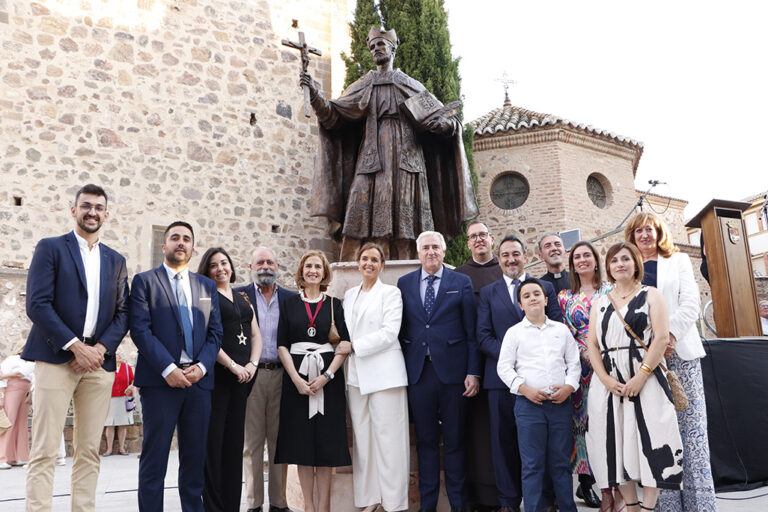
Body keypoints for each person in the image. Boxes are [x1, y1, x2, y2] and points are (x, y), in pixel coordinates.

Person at [302, 26, 478, 260]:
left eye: (381, 44)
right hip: (371, 157)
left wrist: (443, 126)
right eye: (373, 46)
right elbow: (334, 115)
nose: (376, 49)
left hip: (408, 159)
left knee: (408, 224)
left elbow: (447, 120)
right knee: (360, 213)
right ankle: (363, 261)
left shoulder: (410, 84)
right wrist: (314, 94)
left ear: (393, 48)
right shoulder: (363, 84)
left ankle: (409, 262)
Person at [22, 183, 129, 512]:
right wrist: (74, 346)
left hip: (99, 365)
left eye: (98, 207)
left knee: (88, 451)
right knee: (44, 448)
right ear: (74, 210)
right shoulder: (51, 248)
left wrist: (100, 349)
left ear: (106, 214)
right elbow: (38, 305)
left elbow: (124, 311)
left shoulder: (116, 260)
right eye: (86, 206)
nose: (92, 212)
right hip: (55, 359)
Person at [129, 221, 223, 512]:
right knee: (154, 459)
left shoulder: (206, 286)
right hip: (160, 384)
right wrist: (169, 369)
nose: (180, 243)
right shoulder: (145, 282)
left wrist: (203, 367)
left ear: (193, 248)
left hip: (198, 384)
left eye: (186, 239)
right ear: (164, 245)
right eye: (174, 238)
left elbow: (215, 332)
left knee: (194, 460)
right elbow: (140, 330)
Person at [624, 213, 716, 511]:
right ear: (632, 236)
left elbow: (690, 303)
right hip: (646, 361)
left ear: (659, 232)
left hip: (680, 355)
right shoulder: (629, 269)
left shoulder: (677, 261)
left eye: (649, 229)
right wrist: (652, 347)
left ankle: (700, 505)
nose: (644, 235)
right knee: (659, 435)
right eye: (638, 231)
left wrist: (668, 336)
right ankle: (668, 506)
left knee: (692, 434)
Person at [586, 242, 684, 512]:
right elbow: (592, 344)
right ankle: (631, 506)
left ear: (635, 263)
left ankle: (649, 507)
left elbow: (661, 338)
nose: (620, 264)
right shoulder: (601, 302)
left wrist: (641, 376)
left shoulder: (652, 295)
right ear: (608, 267)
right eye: (614, 260)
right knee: (615, 445)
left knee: (651, 441)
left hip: (645, 377)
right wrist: (605, 380)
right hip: (609, 383)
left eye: (625, 259)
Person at [476, 234, 562, 512]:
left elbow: (559, 330)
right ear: (498, 259)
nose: (511, 259)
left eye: (516, 253)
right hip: (500, 381)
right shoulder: (488, 293)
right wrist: (512, 356)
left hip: (541, 382)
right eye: (505, 255)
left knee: (542, 444)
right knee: (503, 444)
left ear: (526, 256)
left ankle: (546, 500)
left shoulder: (544, 287)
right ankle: (509, 502)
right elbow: (483, 335)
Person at [397, 231, 481, 512]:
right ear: (418, 253)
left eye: (435, 247)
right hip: (420, 374)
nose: (430, 252)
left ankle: (458, 504)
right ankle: (427, 505)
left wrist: (473, 371)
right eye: (425, 248)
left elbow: (472, 332)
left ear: (444, 252)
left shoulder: (461, 282)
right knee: (425, 442)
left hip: (455, 375)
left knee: (456, 441)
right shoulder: (404, 283)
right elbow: (402, 330)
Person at [274, 250, 351, 512]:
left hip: (327, 381)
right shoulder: (290, 304)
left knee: (327, 446)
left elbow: (345, 344)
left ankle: (324, 507)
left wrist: (327, 376)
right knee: (302, 446)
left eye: (318, 266)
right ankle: (308, 507)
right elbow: (282, 345)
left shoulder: (334, 304)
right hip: (297, 382)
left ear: (324, 272)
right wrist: (296, 379)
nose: (313, 271)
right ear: (302, 271)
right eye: (308, 266)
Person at [497, 278, 581, 512]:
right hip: (528, 406)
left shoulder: (561, 330)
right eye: (526, 296)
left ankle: (567, 508)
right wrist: (523, 388)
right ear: (521, 305)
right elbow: (504, 367)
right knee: (532, 465)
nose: (532, 298)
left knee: (561, 464)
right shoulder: (514, 333)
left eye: (536, 294)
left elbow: (573, 364)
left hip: (559, 405)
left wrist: (568, 387)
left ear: (545, 300)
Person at [343, 242, 409, 512]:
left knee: (389, 439)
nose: (368, 263)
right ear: (358, 263)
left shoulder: (391, 294)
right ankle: (369, 499)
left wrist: (355, 347)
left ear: (382, 265)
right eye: (364, 259)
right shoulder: (349, 295)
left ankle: (393, 502)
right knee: (363, 440)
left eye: (374, 259)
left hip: (385, 375)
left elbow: (389, 332)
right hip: (356, 376)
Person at [198, 247, 263, 512]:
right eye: (214, 265)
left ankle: (231, 506)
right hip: (219, 380)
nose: (220, 268)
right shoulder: (205, 297)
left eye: (224, 263)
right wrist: (235, 366)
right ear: (207, 270)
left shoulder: (244, 297)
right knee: (214, 446)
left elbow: (256, 335)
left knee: (235, 445)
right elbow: (205, 337)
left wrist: (252, 365)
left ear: (232, 266)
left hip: (243, 381)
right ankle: (213, 506)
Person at [238, 247, 296, 512]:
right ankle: (253, 504)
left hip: (282, 376)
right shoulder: (240, 296)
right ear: (251, 266)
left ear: (278, 266)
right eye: (260, 262)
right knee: (251, 444)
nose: (265, 266)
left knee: (279, 441)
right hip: (251, 375)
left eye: (270, 262)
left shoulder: (291, 298)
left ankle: (279, 503)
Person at [557, 241, 611, 510]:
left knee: (607, 426)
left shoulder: (610, 290)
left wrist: (601, 353)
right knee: (583, 428)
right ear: (572, 264)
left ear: (596, 260)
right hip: (582, 371)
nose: (582, 260)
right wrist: (585, 352)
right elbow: (565, 333)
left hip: (610, 366)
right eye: (577, 257)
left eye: (587, 255)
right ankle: (588, 482)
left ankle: (612, 484)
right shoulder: (565, 297)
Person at [455, 221, 501, 511]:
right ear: (468, 244)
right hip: (470, 366)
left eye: (483, 235)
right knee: (474, 431)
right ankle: (477, 496)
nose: (479, 240)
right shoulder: (459, 277)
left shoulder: (509, 274)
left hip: (500, 365)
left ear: (491, 239)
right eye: (473, 237)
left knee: (500, 431)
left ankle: (502, 495)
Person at [0, 341, 35, 469]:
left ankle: (19, 456)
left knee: (22, 423)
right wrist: (2, 396)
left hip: (26, 391)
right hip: (12, 390)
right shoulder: (12, 359)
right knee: (9, 421)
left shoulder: (32, 362)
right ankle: (2, 457)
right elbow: (1, 376)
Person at [102, 350, 135, 456]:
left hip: (124, 399)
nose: (120, 355)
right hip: (110, 398)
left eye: (122, 354)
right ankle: (109, 449)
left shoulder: (127, 367)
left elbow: (134, 381)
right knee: (109, 424)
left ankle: (122, 448)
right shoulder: (108, 367)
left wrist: (130, 387)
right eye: (118, 354)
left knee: (123, 424)